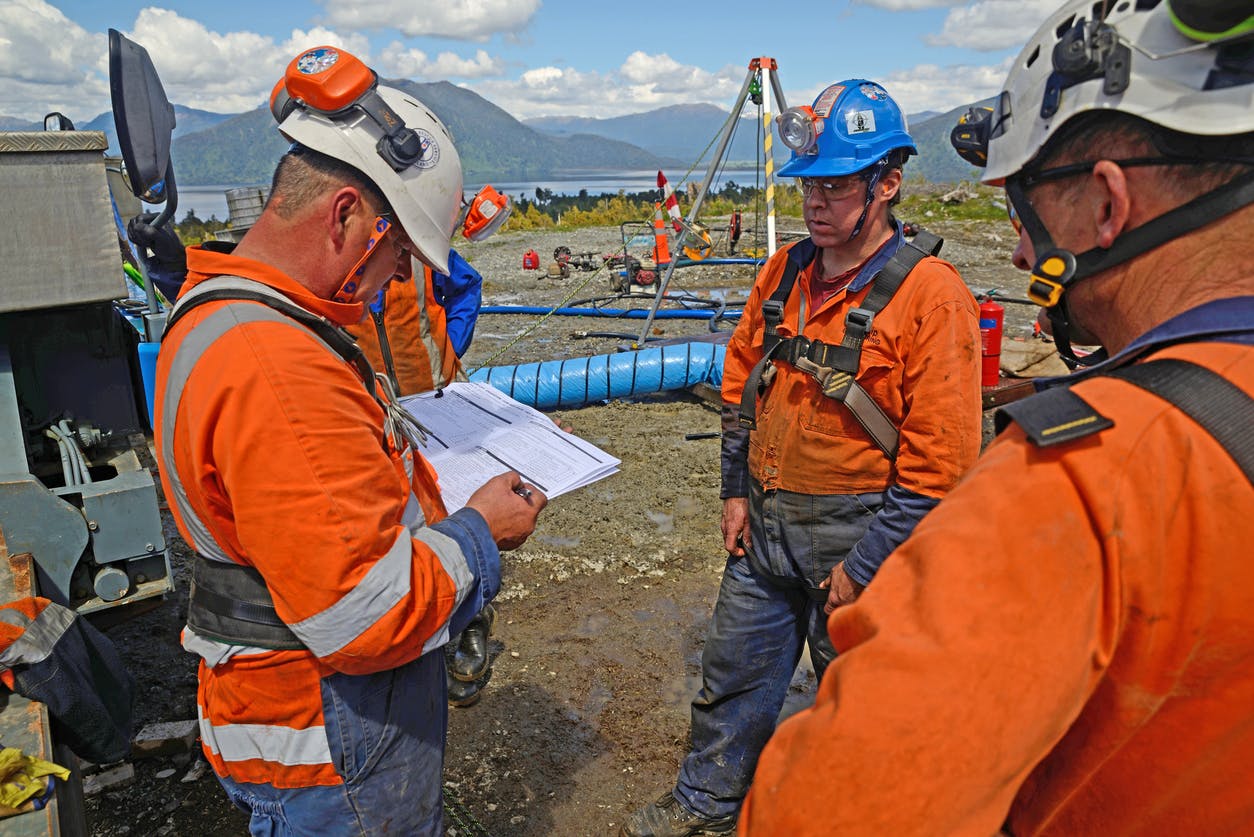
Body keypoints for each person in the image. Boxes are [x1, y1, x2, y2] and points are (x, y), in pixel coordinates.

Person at [739, 0, 1254, 833]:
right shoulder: (785, 276)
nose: (1019, 251)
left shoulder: (1085, 479)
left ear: (1106, 203)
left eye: (1022, 210)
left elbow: (833, 806)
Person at [153, 46, 545, 835]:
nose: (398, 280)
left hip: (299, 721)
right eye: (399, 253)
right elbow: (368, 615)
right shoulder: (278, 367)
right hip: (331, 745)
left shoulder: (228, 314)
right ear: (345, 219)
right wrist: (480, 531)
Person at [623, 80, 982, 836]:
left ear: (887, 183)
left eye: (836, 185)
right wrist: (733, 491)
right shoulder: (784, 272)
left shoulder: (930, 296)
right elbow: (739, 385)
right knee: (733, 676)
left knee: (867, 705)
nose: (817, 202)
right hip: (765, 522)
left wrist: (866, 565)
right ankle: (705, 806)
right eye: (809, 186)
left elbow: (940, 468)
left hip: (861, 538)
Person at [349, 250, 498, 707]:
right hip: (375, 418)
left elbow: (467, 286)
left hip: (435, 406)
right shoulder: (325, 266)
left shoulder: (417, 253)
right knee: (394, 528)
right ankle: (411, 637)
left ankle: (470, 624)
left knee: (452, 513)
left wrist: (450, 346)